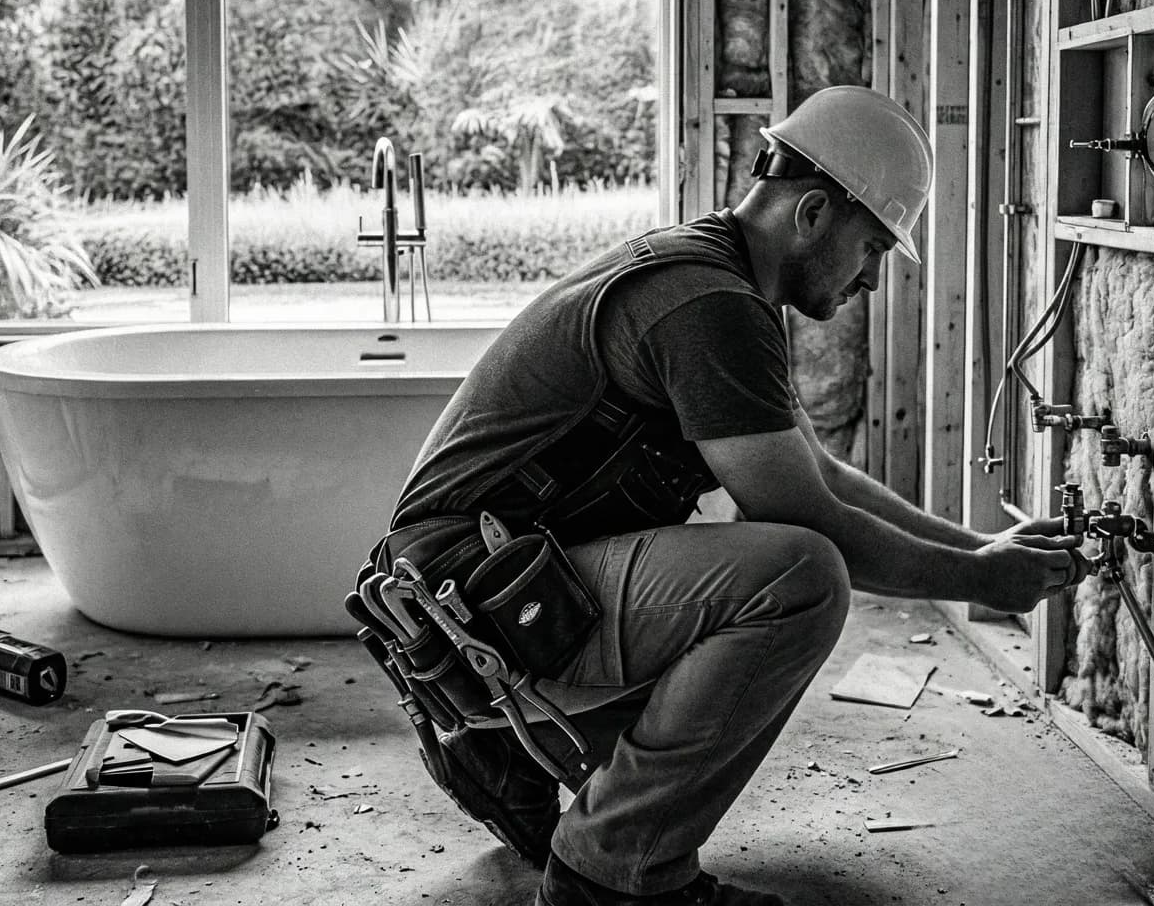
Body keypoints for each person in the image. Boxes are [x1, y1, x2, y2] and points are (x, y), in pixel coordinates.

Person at [359, 85, 1087, 906]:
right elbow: (809, 518)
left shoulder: (717, 277)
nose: (872, 281)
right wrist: (983, 583)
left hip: (481, 584)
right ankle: (616, 873)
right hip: (480, 598)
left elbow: (824, 478)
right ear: (812, 214)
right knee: (799, 575)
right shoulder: (709, 305)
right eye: (873, 248)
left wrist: (979, 550)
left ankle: (513, 760)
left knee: (780, 566)